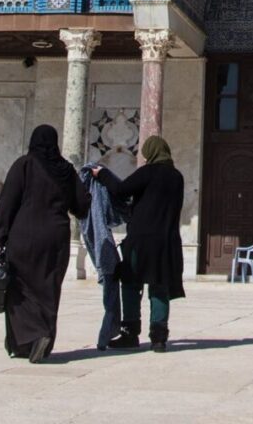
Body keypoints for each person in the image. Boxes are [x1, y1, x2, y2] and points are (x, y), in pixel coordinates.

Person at [0, 124, 91, 363]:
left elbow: (7, 203)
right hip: (56, 236)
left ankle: (29, 339)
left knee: (21, 288)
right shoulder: (65, 170)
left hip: (25, 235)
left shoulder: (24, 165)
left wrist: (0, 236)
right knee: (49, 287)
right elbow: (81, 206)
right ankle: (43, 335)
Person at [94, 135, 185, 352]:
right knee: (159, 286)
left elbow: (121, 189)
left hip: (141, 241)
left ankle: (130, 332)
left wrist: (103, 174)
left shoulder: (148, 173)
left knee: (131, 284)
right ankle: (159, 337)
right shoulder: (177, 177)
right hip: (166, 241)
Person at [78, 160, 132, 350]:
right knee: (113, 286)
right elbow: (124, 200)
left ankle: (111, 330)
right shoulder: (96, 192)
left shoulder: (84, 193)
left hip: (99, 242)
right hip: (103, 243)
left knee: (111, 285)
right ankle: (110, 331)